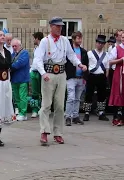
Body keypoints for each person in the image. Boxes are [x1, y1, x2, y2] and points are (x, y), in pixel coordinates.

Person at [33, 17, 87, 145]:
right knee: (46, 104)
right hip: (49, 73)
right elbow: (38, 59)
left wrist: (79, 64)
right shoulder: (45, 42)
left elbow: (71, 55)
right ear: (51, 26)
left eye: (61, 26)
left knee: (59, 105)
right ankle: (44, 132)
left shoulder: (64, 41)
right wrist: (43, 73)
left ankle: (58, 133)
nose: (59, 28)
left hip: (62, 73)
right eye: (57, 26)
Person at [82, 35, 109, 122]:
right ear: (96, 43)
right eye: (98, 43)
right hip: (92, 75)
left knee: (102, 95)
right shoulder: (89, 53)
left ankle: (101, 112)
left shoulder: (106, 55)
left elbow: (107, 67)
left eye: (102, 43)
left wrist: (106, 77)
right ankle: (86, 113)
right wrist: (86, 76)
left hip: (101, 76)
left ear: (104, 44)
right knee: (89, 94)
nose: (100, 45)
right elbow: (85, 65)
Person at [64, 31, 88, 126]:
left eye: (81, 38)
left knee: (78, 98)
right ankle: (68, 116)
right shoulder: (69, 51)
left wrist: (85, 75)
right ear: (73, 39)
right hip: (71, 77)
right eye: (78, 38)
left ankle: (75, 116)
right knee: (71, 97)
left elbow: (87, 64)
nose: (80, 40)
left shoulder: (84, 52)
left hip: (80, 77)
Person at [11, 38, 30, 121]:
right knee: (17, 97)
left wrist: (10, 66)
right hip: (14, 79)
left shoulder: (25, 53)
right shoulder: (13, 54)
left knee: (23, 97)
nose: (14, 47)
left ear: (19, 45)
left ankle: (23, 113)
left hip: (22, 79)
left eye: (15, 46)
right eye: (13, 46)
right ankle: (20, 112)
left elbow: (20, 63)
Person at [109, 32, 124, 126]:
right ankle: (116, 117)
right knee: (118, 93)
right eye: (123, 37)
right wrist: (121, 60)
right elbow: (110, 62)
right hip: (119, 73)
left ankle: (122, 119)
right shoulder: (116, 48)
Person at [29, 32, 44, 118]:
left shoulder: (44, 48)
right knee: (34, 93)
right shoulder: (35, 49)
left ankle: (43, 109)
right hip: (34, 71)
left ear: (37, 38)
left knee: (43, 92)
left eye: (34, 38)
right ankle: (35, 110)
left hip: (41, 73)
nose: (33, 40)